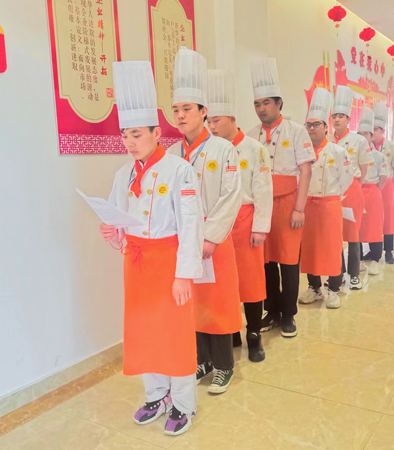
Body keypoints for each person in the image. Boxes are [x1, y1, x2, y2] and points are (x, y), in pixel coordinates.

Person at [100, 61, 204, 436]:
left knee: (175, 333)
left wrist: (183, 275)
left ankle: (183, 404)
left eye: (136, 135)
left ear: (157, 133)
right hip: (137, 263)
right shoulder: (123, 173)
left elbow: (191, 225)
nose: (129, 142)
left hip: (168, 262)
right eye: (125, 135)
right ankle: (156, 395)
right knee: (145, 330)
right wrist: (113, 232)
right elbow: (121, 219)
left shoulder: (179, 170)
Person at [167, 48, 243, 395]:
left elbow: (231, 195)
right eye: (176, 110)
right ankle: (202, 360)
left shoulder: (223, 149)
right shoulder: (171, 154)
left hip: (215, 241)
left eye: (187, 109)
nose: (180, 115)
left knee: (218, 302)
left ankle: (224, 365)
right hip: (185, 242)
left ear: (203, 112)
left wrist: (210, 236)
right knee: (193, 302)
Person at [206, 69, 273, 362]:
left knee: (251, 281)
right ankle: (230, 330)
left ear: (232, 119)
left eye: (216, 120)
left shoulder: (254, 149)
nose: (212, 126)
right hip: (219, 224)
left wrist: (260, 227)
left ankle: (254, 335)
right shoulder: (210, 150)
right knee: (224, 282)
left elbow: (264, 190)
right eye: (208, 121)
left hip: (246, 222)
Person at [247, 57, 315, 338]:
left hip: (288, 205)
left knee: (288, 262)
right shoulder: (251, 136)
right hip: (261, 206)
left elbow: (306, 170)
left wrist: (299, 209)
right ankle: (272, 311)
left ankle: (289, 314)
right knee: (266, 262)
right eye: (257, 104)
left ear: (279, 103)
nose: (261, 109)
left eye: (266, 103)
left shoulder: (296, 131)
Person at [299, 88, 352, 309]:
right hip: (307, 205)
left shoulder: (337, 152)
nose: (312, 129)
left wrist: (332, 196)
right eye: (308, 125)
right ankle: (314, 288)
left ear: (325, 127)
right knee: (310, 248)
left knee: (332, 248)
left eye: (316, 124)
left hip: (330, 205)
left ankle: (333, 289)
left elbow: (346, 178)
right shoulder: (302, 152)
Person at [332, 86, 373, 289]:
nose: (337, 120)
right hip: (332, 192)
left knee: (353, 234)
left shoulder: (359, 141)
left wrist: (354, 185)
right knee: (335, 235)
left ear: (348, 119)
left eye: (341, 116)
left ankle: (354, 274)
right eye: (334, 116)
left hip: (352, 190)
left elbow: (363, 169)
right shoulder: (327, 140)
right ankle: (337, 274)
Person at [358, 106, 388, 275]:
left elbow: (383, 178)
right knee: (357, 228)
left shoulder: (379, 156)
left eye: (366, 134)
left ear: (371, 136)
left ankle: (376, 259)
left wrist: (374, 190)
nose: (362, 137)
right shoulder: (353, 154)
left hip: (373, 193)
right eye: (359, 134)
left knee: (375, 228)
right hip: (357, 192)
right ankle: (359, 260)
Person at [372, 103, 394, 264]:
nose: (373, 132)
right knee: (373, 217)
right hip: (372, 185)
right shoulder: (367, 145)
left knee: (388, 218)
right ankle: (373, 251)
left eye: (376, 129)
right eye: (372, 129)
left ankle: (389, 251)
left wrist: (393, 187)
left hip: (387, 185)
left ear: (382, 130)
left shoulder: (391, 146)